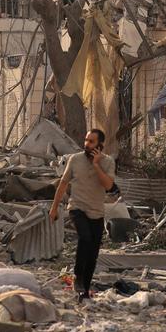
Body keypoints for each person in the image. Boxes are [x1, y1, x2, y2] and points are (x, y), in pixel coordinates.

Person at [49, 129, 116, 302]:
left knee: (93, 253)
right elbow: (63, 184)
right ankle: (78, 277)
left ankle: (84, 291)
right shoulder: (75, 159)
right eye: (86, 140)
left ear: (100, 145)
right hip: (77, 207)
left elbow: (108, 185)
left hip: (97, 212)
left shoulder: (107, 162)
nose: (87, 144)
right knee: (84, 238)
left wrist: (96, 165)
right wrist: (54, 208)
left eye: (91, 141)